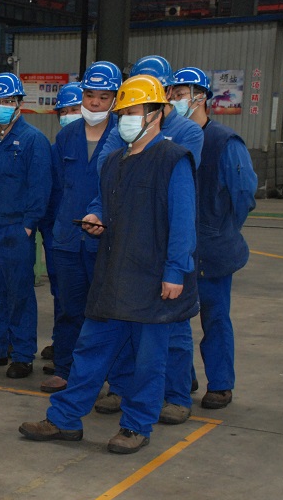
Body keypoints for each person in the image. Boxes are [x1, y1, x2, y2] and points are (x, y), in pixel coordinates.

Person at [19, 74, 198, 454]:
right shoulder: (115, 160)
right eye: (123, 114)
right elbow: (104, 202)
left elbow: (183, 223)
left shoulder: (173, 160)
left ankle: (136, 426)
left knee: (148, 361)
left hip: (153, 280)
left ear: (156, 114)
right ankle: (64, 419)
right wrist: (96, 216)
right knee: (90, 350)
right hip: (114, 274)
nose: (126, 120)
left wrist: (174, 272)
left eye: (133, 112)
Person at [93, 54, 204, 416]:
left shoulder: (185, 136)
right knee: (125, 323)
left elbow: (177, 199)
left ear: (164, 96)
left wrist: (176, 268)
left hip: (161, 241)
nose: (128, 116)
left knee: (172, 331)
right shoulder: (124, 129)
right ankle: (122, 389)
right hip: (130, 242)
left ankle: (176, 396)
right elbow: (107, 167)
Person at [170, 66, 258, 413]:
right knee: (175, 320)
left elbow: (243, 194)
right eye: (172, 94)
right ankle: (184, 378)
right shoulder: (170, 137)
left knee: (215, 317)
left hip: (213, 250)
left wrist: (219, 230)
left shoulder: (224, 142)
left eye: (180, 94)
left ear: (201, 97)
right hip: (179, 248)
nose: (175, 100)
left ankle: (220, 384)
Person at [41, 62, 121, 394]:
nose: (95, 103)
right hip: (67, 238)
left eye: (103, 97)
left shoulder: (122, 136)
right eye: (89, 96)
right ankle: (65, 369)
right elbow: (56, 188)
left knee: (106, 312)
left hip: (105, 241)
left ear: (115, 100)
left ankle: (112, 377)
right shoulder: (66, 136)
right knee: (68, 308)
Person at [0, 72, 52, 379]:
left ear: (18, 103)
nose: (0, 107)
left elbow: (40, 187)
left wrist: (28, 225)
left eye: (7, 101)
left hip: (15, 230)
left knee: (20, 294)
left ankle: (22, 354)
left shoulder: (33, 140)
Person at [37, 81, 84, 369]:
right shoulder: (56, 148)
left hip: (90, 235)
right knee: (61, 293)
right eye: (63, 112)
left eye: (74, 109)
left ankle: (84, 351)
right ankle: (62, 344)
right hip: (57, 232)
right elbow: (48, 191)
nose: (68, 116)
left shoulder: (109, 144)